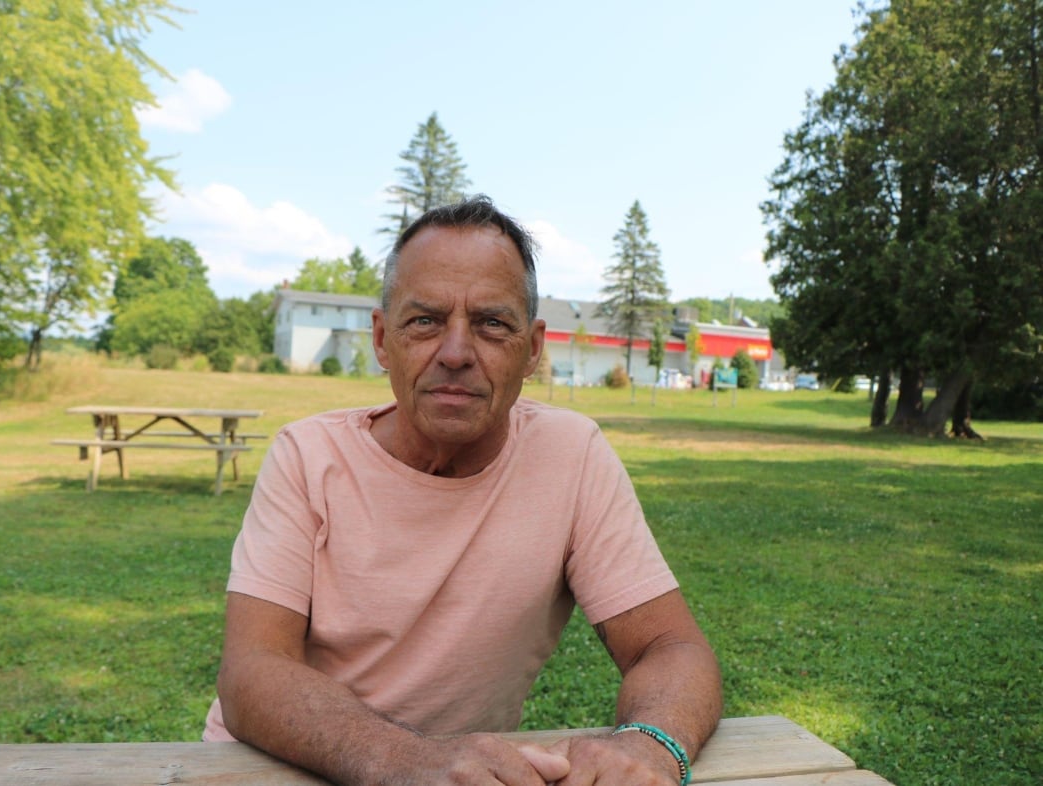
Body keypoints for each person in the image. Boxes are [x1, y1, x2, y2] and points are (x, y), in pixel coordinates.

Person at [203, 195, 722, 786]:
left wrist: (650, 744)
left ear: (531, 349)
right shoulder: (308, 456)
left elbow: (671, 646)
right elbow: (251, 671)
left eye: (491, 324)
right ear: (381, 339)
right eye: (424, 320)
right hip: (278, 768)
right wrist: (402, 759)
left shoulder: (571, 455)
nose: (455, 354)